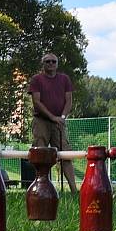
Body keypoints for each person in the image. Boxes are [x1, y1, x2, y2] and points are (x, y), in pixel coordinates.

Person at [28, 53, 77, 193]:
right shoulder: (36, 80)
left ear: (57, 64)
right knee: (41, 156)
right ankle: (40, 189)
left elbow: (69, 101)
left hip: (59, 122)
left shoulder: (65, 79)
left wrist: (61, 117)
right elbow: (36, 102)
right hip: (41, 121)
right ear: (43, 64)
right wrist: (52, 117)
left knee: (65, 155)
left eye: (53, 61)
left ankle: (74, 190)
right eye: (47, 61)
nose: (51, 64)